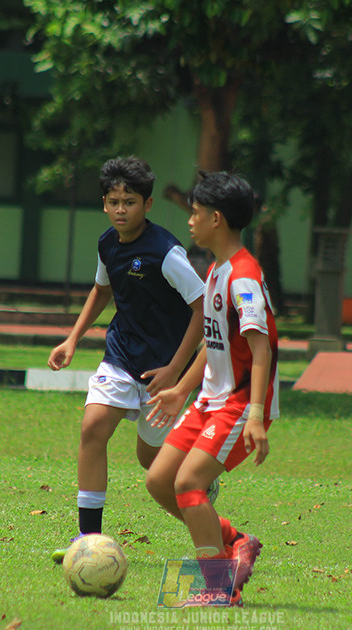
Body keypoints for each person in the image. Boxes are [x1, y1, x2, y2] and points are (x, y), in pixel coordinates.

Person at [47, 156, 206, 560]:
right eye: (114, 201)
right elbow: (102, 290)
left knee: (151, 463)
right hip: (120, 355)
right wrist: (71, 339)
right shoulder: (106, 244)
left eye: (130, 202)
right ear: (104, 203)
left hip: (164, 370)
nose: (121, 209)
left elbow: (204, 309)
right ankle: (87, 540)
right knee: (92, 428)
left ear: (147, 205)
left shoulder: (166, 252)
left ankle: (199, 483)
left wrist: (175, 369)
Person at [144, 171, 279, 606]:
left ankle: (220, 589)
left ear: (216, 219)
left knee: (188, 484)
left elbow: (262, 351)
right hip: (208, 401)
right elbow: (215, 341)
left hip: (239, 405)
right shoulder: (217, 270)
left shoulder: (243, 277)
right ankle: (235, 540)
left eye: (196, 212)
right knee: (160, 481)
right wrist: (182, 388)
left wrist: (256, 415)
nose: (190, 220)